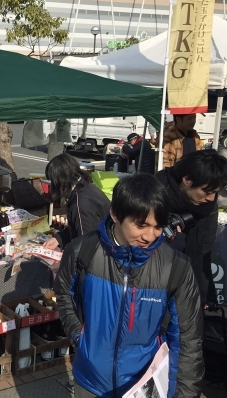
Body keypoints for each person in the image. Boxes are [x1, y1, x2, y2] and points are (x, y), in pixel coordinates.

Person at [55, 174, 203, 397]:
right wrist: (79, 334)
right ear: (115, 213)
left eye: (158, 226)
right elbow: (64, 291)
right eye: (141, 225)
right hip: (90, 381)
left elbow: (188, 340)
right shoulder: (81, 251)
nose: (149, 236)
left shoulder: (176, 268)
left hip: (145, 384)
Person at [155, 149, 227, 309]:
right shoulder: (154, 195)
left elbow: (203, 255)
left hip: (189, 285)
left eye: (215, 193)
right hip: (153, 287)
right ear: (186, 180)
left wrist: (205, 294)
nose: (211, 198)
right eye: (207, 192)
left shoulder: (208, 208)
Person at [42, 153, 111, 250]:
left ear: (60, 181)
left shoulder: (81, 203)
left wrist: (65, 263)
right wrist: (59, 239)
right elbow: (78, 226)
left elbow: (86, 246)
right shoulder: (87, 187)